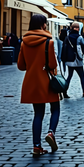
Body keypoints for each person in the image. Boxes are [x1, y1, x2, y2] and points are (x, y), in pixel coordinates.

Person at [18, 14, 60, 156]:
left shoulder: (24, 42)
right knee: (55, 108)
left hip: (31, 81)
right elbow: (52, 64)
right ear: (42, 25)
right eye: (46, 23)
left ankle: (36, 146)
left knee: (38, 114)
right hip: (47, 80)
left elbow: (21, 66)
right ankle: (51, 132)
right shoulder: (49, 42)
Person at [61, 21, 84, 98]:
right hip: (77, 60)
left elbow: (64, 49)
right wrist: (81, 57)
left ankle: (64, 91)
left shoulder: (67, 37)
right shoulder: (79, 37)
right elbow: (80, 48)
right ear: (78, 29)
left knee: (69, 76)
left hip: (69, 60)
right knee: (82, 76)